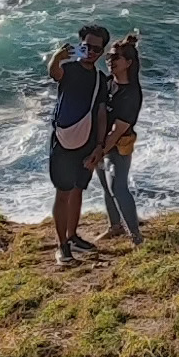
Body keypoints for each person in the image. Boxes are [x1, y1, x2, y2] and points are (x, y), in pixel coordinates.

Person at [46, 21, 110, 264]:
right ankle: (62, 245)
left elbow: (102, 113)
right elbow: (55, 74)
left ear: (102, 52)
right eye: (86, 47)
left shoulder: (101, 80)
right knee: (63, 193)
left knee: (78, 190)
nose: (91, 52)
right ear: (80, 46)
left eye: (96, 49)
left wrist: (100, 146)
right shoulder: (69, 68)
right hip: (64, 142)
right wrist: (57, 56)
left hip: (88, 143)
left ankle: (73, 236)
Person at [99, 32, 145, 245]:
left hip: (117, 145)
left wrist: (97, 152)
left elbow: (117, 131)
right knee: (106, 187)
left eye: (115, 57)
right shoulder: (108, 83)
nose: (110, 61)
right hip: (100, 142)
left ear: (128, 62)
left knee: (118, 188)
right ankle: (114, 226)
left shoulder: (131, 93)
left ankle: (136, 237)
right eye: (109, 57)